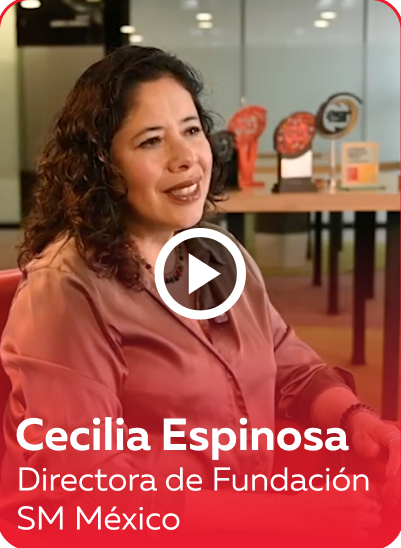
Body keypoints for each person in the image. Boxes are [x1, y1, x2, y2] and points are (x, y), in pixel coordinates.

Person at [0, 45, 399, 546]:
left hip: (241, 514)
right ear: (103, 166)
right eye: (151, 141)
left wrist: (357, 420)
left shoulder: (213, 256)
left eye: (191, 130)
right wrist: (277, 518)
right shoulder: (65, 289)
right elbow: (83, 483)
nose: (186, 157)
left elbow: (290, 367)